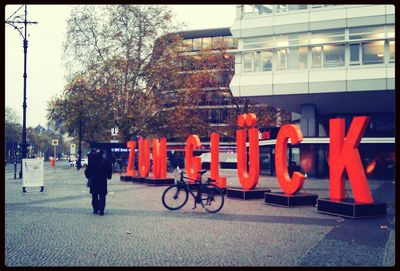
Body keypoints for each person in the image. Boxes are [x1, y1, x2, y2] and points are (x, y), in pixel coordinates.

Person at [85, 149, 112, 216]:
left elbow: (87, 171)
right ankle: (102, 210)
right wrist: (108, 176)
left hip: (94, 181)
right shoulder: (106, 161)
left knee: (94, 196)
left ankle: (95, 209)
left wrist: (89, 177)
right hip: (103, 181)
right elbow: (109, 171)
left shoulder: (92, 161)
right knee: (102, 195)